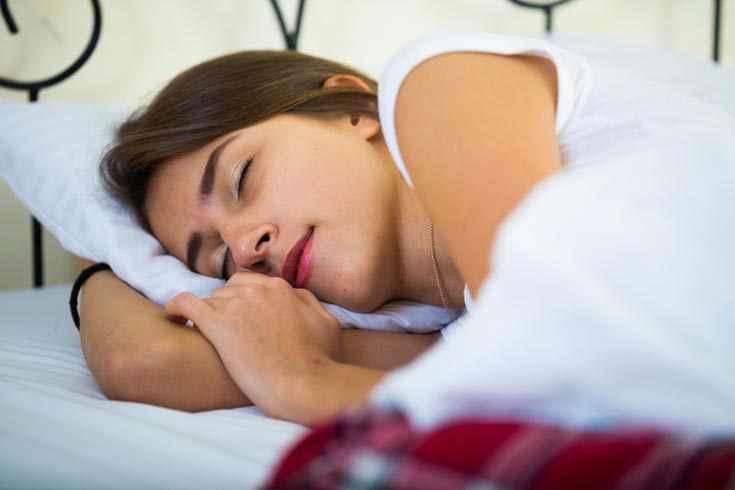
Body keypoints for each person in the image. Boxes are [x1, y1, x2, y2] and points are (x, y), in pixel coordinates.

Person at [82, 32, 734, 432]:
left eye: (242, 176)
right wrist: (98, 263)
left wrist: (308, 383)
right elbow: (145, 366)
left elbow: (559, 365)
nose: (247, 249)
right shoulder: (450, 334)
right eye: (216, 258)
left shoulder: (438, 78)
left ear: (352, 109)